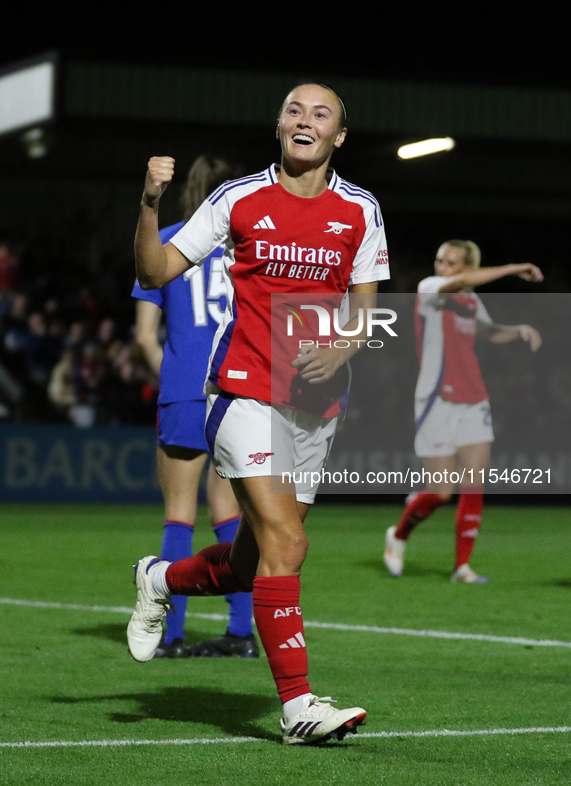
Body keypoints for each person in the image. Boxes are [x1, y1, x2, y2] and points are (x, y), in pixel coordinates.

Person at [127, 83, 390, 745]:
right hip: (242, 392)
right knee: (288, 544)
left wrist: (341, 350)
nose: (304, 120)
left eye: (319, 114)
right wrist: (149, 203)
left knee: (252, 563)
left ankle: (158, 579)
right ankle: (298, 706)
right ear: (279, 126)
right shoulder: (236, 198)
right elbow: (157, 269)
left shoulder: (360, 210)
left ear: (339, 136)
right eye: (293, 111)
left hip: (316, 407)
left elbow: (363, 312)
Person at [131, 155, 257, 658]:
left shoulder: (171, 241)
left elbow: (143, 338)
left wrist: (173, 376)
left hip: (186, 386)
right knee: (231, 514)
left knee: (179, 515)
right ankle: (241, 632)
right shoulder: (250, 246)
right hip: (236, 387)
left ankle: (173, 633)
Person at [384, 240, 543, 582]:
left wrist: (516, 331)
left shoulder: (471, 301)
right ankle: (398, 535)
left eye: (451, 263)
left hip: (474, 398)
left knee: (474, 482)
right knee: (441, 492)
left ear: (468, 267)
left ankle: (462, 566)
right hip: (435, 399)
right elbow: (455, 283)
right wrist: (514, 268)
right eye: (439, 260)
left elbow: (488, 332)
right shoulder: (430, 288)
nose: (441, 267)